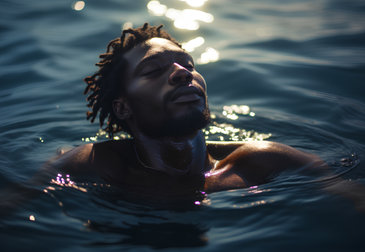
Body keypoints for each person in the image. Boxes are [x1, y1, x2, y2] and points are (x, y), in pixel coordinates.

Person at [53, 23, 325, 198]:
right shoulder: (96, 166)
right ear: (123, 107)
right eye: (154, 70)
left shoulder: (264, 162)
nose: (183, 73)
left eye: (189, 65)